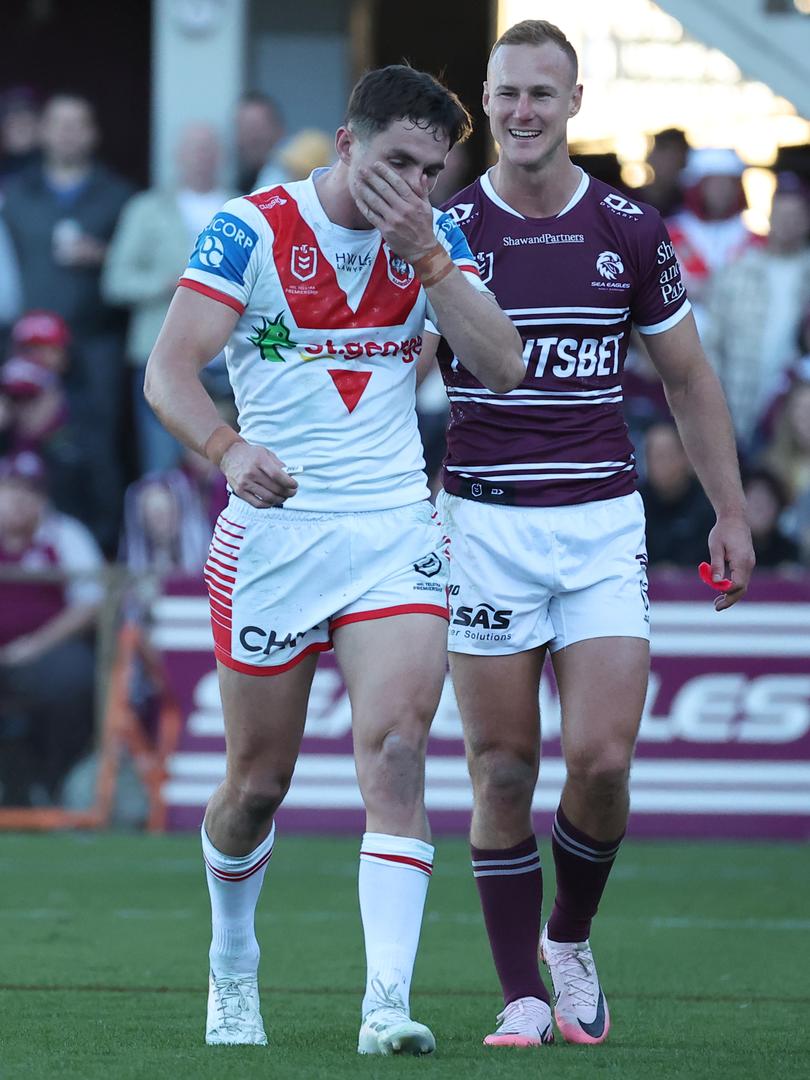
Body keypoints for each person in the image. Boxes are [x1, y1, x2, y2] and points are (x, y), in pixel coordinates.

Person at [144, 64, 524, 1055]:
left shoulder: (441, 239)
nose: (414, 186)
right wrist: (228, 450)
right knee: (255, 786)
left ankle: (386, 1006)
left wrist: (435, 264)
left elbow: (502, 363)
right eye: (397, 161)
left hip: (395, 527)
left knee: (398, 753)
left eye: (433, 170)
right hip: (274, 536)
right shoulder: (250, 228)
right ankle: (234, 965)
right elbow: (169, 369)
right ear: (346, 144)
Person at [418, 20, 755, 1049]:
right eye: (508, 93)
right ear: (488, 99)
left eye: (543, 94)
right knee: (504, 771)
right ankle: (520, 990)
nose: (524, 111)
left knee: (602, 762)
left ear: (574, 105)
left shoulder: (629, 228)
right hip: (481, 523)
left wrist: (732, 511)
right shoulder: (446, 227)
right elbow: (396, 377)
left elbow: (689, 379)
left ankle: (569, 938)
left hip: (602, 522)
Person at [0, 94, 135, 553]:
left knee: (96, 454)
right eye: (58, 123)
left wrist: (105, 256)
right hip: (27, 349)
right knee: (24, 449)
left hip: (95, 347)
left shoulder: (119, 196)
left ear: (93, 133)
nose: (67, 133)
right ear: (43, 131)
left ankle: (97, 560)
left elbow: (139, 267)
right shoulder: (15, 196)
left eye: (78, 124)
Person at [102, 123, 233, 474]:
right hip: (159, 356)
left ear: (220, 156)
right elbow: (116, 280)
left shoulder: (242, 206)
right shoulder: (147, 209)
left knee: (227, 464)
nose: (201, 157)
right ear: (177, 156)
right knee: (161, 468)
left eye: (208, 149)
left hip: (228, 366)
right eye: (194, 149)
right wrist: (164, 283)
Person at [0, 450, 104, 805]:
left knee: (74, 674)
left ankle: (51, 781)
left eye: (30, 492)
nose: (19, 501)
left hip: (41, 653)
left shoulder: (65, 535)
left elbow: (90, 603)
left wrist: (35, 645)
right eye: (11, 490)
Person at [702, 173, 810, 455]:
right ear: (770, 214)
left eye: (797, 214)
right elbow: (711, 345)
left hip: (796, 427)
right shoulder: (737, 272)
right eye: (782, 212)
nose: (788, 221)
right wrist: (716, 409)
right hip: (737, 414)